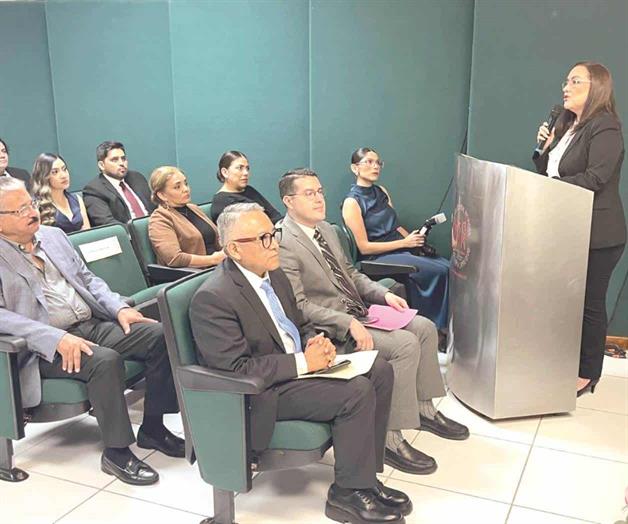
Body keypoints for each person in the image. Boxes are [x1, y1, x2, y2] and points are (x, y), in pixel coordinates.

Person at [190, 202, 411, 524]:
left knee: (379, 369)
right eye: (264, 238)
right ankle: (348, 494)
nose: (274, 244)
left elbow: (298, 323)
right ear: (235, 249)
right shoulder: (214, 298)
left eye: (274, 234)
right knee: (356, 392)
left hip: (296, 369)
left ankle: (366, 479)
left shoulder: (274, 274)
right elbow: (236, 369)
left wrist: (313, 341)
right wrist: (303, 363)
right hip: (261, 392)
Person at [278, 169, 469, 477]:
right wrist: (347, 323)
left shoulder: (325, 230)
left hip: (358, 311)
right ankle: (389, 437)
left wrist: (383, 294)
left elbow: (351, 274)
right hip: (333, 329)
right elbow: (299, 306)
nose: (318, 199)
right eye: (309, 193)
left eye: (320, 191)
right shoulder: (284, 242)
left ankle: (423, 409)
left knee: (424, 328)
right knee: (405, 345)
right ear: (289, 201)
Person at [0, 177, 184, 485]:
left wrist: (119, 308)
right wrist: (55, 337)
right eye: (19, 211)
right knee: (104, 361)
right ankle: (116, 452)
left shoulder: (53, 236)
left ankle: (153, 428)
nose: (31, 212)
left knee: (160, 335)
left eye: (30, 204)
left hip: (89, 324)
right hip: (42, 345)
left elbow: (88, 280)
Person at [534, 61, 626, 397]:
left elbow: (595, 178)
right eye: (566, 81)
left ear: (596, 87)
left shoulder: (606, 127)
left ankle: (588, 373)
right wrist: (544, 148)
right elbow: (549, 170)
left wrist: (550, 187)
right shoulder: (567, 124)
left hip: (599, 233)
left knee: (589, 302)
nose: (566, 87)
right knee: (564, 299)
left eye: (575, 81)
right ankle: (563, 361)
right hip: (567, 228)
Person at [342, 147, 450, 331]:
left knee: (446, 266)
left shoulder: (382, 191)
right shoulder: (351, 203)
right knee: (437, 272)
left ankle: (448, 326)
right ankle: (434, 328)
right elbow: (364, 247)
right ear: (355, 168)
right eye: (369, 162)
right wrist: (404, 243)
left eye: (378, 162)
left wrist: (413, 239)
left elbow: (395, 225)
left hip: (401, 247)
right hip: (377, 256)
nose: (375, 166)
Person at [148, 166, 225, 268]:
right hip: (198, 272)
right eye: (177, 187)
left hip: (219, 265)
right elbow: (175, 258)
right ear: (162, 195)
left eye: (186, 184)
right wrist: (213, 259)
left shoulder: (193, 208)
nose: (186, 189)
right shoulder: (159, 219)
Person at [83, 141, 155, 226]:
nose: (121, 163)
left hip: (156, 228)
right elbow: (110, 225)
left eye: (123, 159)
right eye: (114, 160)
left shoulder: (137, 178)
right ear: (101, 165)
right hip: (128, 233)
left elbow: (155, 207)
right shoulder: (94, 190)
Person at [210, 150, 282, 224]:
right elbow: (252, 226)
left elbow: (275, 214)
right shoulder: (221, 202)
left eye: (247, 168)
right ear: (225, 172)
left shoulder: (249, 190)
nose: (246, 173)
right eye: (240, 168)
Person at [30, 153, 91, 234]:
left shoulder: (77, 199)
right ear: (44, 177)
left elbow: (87, 233)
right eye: (55, 172)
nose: (63, 175)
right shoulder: (36, 205)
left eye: (64, 169)